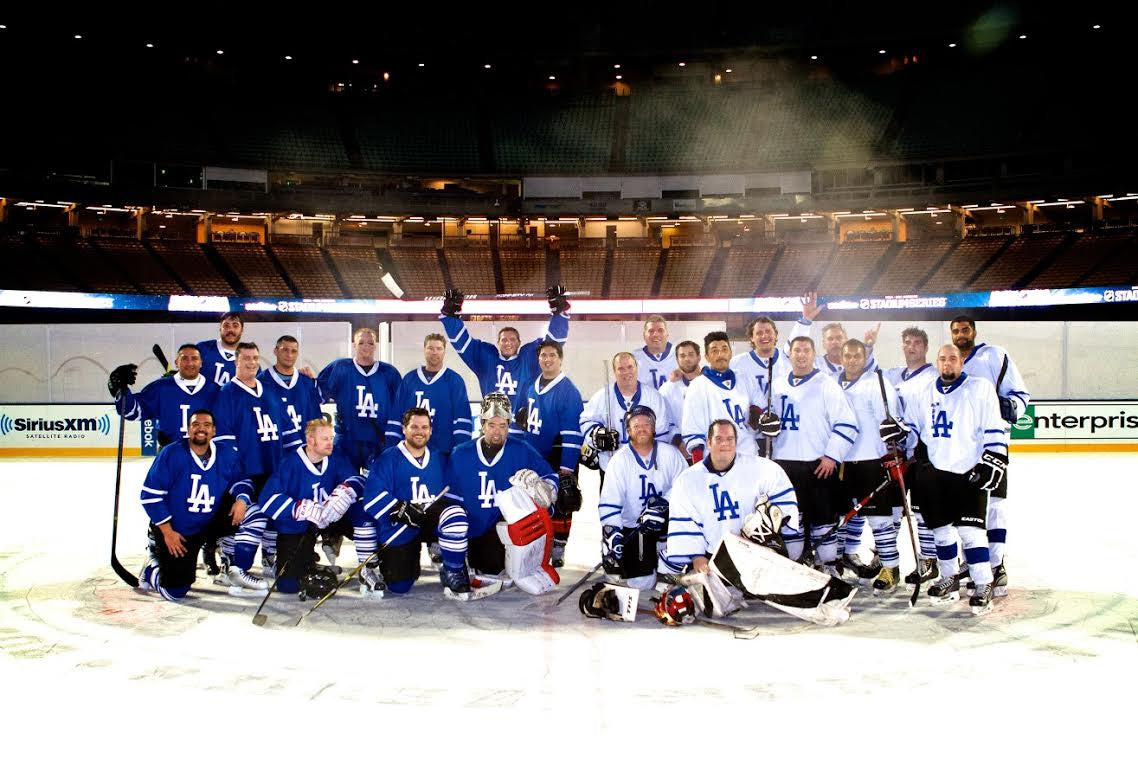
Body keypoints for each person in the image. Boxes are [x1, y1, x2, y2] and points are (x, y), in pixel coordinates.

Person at [899, 343, 1009, 614]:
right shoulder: (924, 391)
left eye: (953, 359)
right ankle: (949, 576)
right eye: (942, 359)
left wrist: (993, 458)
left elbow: (993, 426)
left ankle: (983, 583)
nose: (947, 363)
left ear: (961, 362)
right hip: (935, 474)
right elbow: (913, 429)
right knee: (942, 532)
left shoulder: (979, 388)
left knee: (971, 533)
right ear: (937, 362)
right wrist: (898, 434)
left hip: (969, 472)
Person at [227, 419, 365, 597]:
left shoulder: (335, 457)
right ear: (310, 440)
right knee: (289, 585)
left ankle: (370, 567)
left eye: (331, 438)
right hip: (299, 526)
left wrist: (345, 493)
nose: (330, 442)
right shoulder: (290, 463)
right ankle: (303, 561)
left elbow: (358, 480)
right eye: (325, 439)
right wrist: (299, 508)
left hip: (330, 518)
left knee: (363, 515)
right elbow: (267, 499)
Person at [354, 408, 476, 599]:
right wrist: (399, 508)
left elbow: (455, 492)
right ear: (404, 429)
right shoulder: (388, 459)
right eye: (414, 427)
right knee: (399, 586)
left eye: (425, 427)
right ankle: (404, 563)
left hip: (430, 517)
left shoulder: (439, 457)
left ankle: (453, 570)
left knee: (455, 516)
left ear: (431, 430)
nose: (420, 431)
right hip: (403, 524)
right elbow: (372, 496)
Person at [135, 409, 255, 601]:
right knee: (175, 592)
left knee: (253, 512)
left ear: (214, 431)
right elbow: (150, 496)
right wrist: (167, 532)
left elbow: (243, 481)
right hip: (178, 530)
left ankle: (232, 567)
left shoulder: (226, 454)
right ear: (188, 429)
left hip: (207, 522)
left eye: (206, 425)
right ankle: (152, 568)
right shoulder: (172, 453)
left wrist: (241, 500)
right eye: (196, 425)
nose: (201, 429)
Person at [445, 393, 559, 592]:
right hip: (477, 530)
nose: (497, 432)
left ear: (509, 425)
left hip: (509, 528)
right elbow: (451, 502)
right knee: (490, 566)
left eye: (503, 426)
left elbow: (551, 478)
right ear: (482, 424)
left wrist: (545, 491)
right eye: (492, 425)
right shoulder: (461, 454)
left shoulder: (521, 449)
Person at [949, 316, 1029, 595]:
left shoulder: (995, 355)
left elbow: (1020, 394)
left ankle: (996, 565)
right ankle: (970, 561)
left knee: (994, 506)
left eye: (965, 329)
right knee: (963, 508)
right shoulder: (950, 363)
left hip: (992, 447)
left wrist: (1009, 406)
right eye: (956, 331)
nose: (961, 334)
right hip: (961, 449)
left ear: (974, 331)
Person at [769, 336, 858, 575]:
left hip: (818, 464)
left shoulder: (826, 384)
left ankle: (829, 567)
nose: (801, 355)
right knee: (791, 519)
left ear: (813, 353)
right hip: (784, 464)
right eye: (796, 350)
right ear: (789, 354)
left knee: (823, 518)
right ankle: (796, 568)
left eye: (806, 350)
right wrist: (763, 424)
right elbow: (766, 423)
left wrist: (832, 456)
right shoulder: (777, 385)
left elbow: (847, 423)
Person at [212, 342, 298, 581]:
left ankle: (269, 557)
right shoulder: (227, 394)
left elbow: (288, 431)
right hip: (245, 471)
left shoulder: (269, 391)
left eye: (255, 358)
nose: (251, 362)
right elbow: (225, 442)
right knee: (246, 516)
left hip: (273, 466)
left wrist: (294, 463)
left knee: (273, 513)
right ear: (236, 361)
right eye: (246, 358)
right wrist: (236, 475)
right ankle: (230, 562)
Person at [596, 405, 688, 590]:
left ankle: (667, 558)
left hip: (667, 526)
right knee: (641, 584)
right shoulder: (619, 461)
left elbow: (687, 487)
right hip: (636, 530)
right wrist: (613, 534)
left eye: (646, 424)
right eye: (636, 425)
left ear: (654, 428)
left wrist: (663, 504)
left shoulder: (671, 454)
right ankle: (646, 560)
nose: (642, 428)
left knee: (673, 580)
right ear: (628, 431)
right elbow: (609, 503)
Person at [836, 339, 903, 591]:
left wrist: (893, 436)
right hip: (840, 462)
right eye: (847, 355)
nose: (852, 360)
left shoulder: (878, 383)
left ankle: (890, 568)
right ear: (841, 357)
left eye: (857, 356)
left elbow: (893, 422)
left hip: (870, 462)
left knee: (878, 519)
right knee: (840, 517)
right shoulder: (831, 384)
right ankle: (838, 563)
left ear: (865, 358)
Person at [515, 340, 585, 567]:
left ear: (560, 358)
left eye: (552, 355)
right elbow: (518, 417)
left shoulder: (569, 390)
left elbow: (573, 432)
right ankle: (535, 543)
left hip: (557, 453)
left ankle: (558, 545)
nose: (547, 359)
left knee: (561, 500)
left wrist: (567, 468)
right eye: (543, 355)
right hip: (531, 453)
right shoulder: (529, 384)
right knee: (532, 501)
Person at [437, 286, 570, 405]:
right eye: (504, 340)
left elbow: (553, 343)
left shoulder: (528, 360)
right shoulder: (487, 361)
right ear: (498, 343)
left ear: (519, 343)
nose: (508, 343)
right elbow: (463, 343)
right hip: (493, 426)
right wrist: (451, 316)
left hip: (521, 428)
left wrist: (559, 313)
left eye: (512, 340)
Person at [260, 335, 324, 572]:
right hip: (274, 453)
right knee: (275, 501)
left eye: (293, 351)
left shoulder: (306, 383)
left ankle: (304, 549)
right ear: (275, 351)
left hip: (303, 457)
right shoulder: (262, 381)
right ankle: (269, 551)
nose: (289, 354)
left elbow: (316, 418)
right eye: (284, 350)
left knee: (304, 500)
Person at [883, 326, 939, 582]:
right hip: (894, 453)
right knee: (892, 510)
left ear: (925, 347)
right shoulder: (893, 375)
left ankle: (928, 559)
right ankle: (886, 559)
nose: (912, 346)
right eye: (908, 342)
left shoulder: (933, 377)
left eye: (917, 342)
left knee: (920, 510)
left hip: (920, 454)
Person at [316, 327, 402, 473]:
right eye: (361, 342)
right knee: (343, 484)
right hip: (347, 439)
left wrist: (394, 439)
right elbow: (317, 394)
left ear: (376, 346)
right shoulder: (340, 368)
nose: (366, 346)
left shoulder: (389, 373)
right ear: (354, 345)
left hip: (378, 440)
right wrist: (305, 380)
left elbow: (400, 408)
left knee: (378, 484)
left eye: (370, 343)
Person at [580, 352, 673, 483]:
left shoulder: (653, 396)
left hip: (646, 470)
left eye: (630, 367)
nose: (626, 372)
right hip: (611, 468)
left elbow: (662, 435)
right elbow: (586, 421)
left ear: (636, 368)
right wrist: (596, 434)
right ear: (614, 371)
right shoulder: (602, 396)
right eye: (621, 368)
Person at [108, 343, 220, 448]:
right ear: (177, 362)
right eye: (184, 358)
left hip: (205, 453)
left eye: (194, 359)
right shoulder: (160, 387)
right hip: (169, 455)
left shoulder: (214, 390)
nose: (190, 363)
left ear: (201, 362)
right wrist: (119, 390)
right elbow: (132, 411)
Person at [384, 333, 472, 456]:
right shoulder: (409, 379)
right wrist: (391, 449)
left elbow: (462, 420)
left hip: (443, 451)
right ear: (424, 350)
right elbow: (397, 416)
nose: (434, 352)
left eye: (439, 349)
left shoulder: (454, 380)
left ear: (444, 351)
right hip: (411, 451)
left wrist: (460, 452)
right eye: (430, 348)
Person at [680, 331, 758, 461]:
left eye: (724, 349)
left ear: (731, 353)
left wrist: (761, 418)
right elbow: (693, 429)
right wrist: (700, 466)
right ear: (707, 356)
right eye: (714, 351)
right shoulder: (698, 386)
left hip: (747, 453)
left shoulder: (745, 379)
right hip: (716, 459)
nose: (720, 354)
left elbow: (759, 406)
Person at [659, 340, 701, 459]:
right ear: (677, 360)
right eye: (682, 356)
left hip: (709, 450)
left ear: (698, 357)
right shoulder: (667, 389)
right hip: (680, 452)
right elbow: (664, 421)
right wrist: (678, 442)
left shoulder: (709, 384)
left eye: (691, 354)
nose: (687, 359)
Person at [196, 311, 244, 388]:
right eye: (226, 325)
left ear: (242, 330)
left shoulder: (249, 356)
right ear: (220, 328)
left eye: (235, 326)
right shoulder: (202, 349)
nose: (230, 330)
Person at [632, 315, 677, 391]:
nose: (655, 334)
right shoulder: (635, 358)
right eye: (651, 331)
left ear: (667, 334)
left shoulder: (680, 353)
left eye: (660, 330)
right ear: (644, 335)